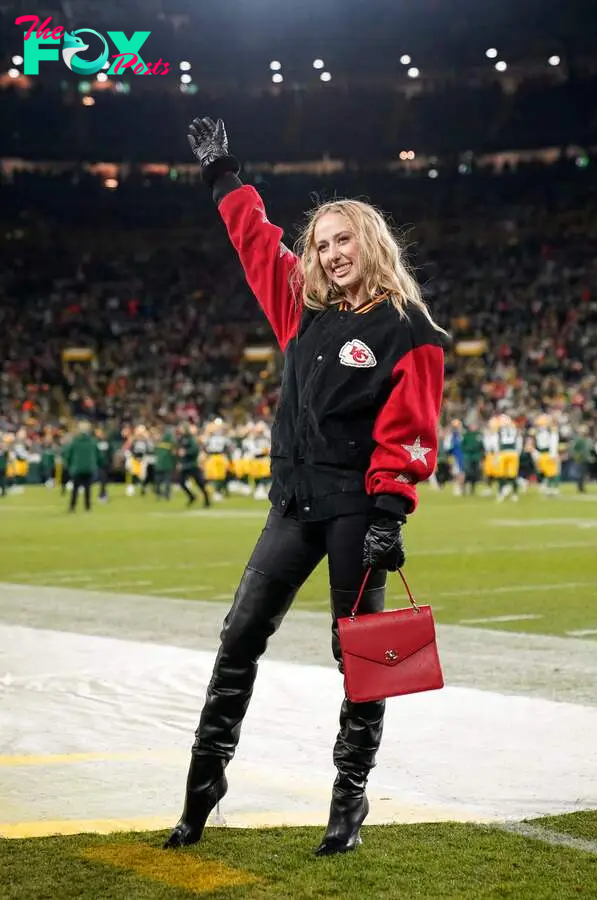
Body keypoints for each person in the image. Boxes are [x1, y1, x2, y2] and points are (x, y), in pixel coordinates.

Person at [163, 116, 447, 857]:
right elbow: (256, 241)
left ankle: (347, 805)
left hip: (359, 509)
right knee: (238, 640)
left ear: (369, 242)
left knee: (365, 657)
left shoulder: (407, 326)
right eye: (320, 243)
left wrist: (391, 509)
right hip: (291, 506)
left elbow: (411, 425)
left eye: (341, 239)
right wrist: (223, 173)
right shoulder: (302, 308)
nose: (329, 252)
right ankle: (202, 791)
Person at [64, 420, 99, 512]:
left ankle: (72, 507)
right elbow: (98, 455)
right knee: (88, 488)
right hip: (89, 468)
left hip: (77, 468)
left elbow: (68, 454)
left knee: (75, 489)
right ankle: (87, 507)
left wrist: (69, 465)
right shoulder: (92, 441)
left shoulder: (75, 442)